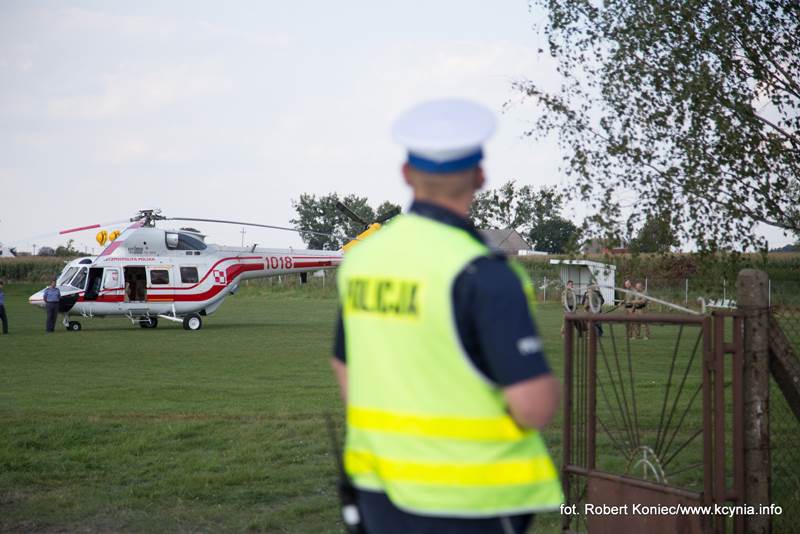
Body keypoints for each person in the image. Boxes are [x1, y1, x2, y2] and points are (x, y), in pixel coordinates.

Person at [330, 98, 563, 533]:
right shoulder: (484, 273)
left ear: (405, 174)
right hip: (474, 501)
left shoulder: (362, 261)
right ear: (479, 175)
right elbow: (532, 408)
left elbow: (344, 365)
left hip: (379, 490)